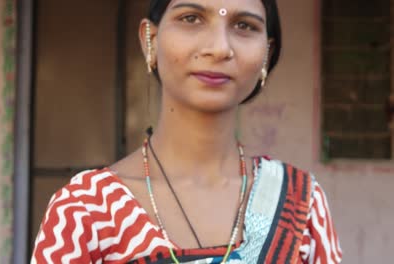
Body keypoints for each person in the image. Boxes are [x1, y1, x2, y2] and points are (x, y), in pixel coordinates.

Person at [31, 0, 342, 263]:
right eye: (191, 18)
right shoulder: (85, 209)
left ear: (267, 52)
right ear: (149, 40)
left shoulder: (302, 203)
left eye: (245, 26)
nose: (219, 48)